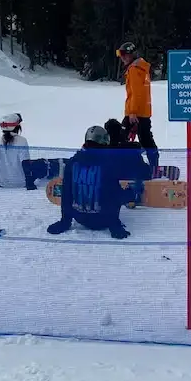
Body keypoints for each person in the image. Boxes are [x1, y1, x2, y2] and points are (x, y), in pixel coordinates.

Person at [46, 125, 130, 239]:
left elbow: (66, 194)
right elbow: (113, 196)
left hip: (80, 218)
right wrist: (115, 225)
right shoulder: (109, 164)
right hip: (103, 220)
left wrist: (65, 221)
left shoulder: (72, 162)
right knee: (117, 191)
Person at [117, 42, 159, 175]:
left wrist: (133, 112)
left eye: (124, 54)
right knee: (146, 138)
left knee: (120, 139)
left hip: (135, 113)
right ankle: (153, 163)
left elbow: (136, 92)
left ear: (131, 55)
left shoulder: (135, 70)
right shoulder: (142, 68)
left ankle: (119, 165)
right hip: (143, 112)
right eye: (120, 54)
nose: (122, 58)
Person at [104, 117, 152, 202]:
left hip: (115, 177)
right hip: (133, 175)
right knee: (141, 166)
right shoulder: (132, 146)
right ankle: (136, 192)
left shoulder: (103, 148)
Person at [0, 113, 31, 190]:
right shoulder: (22, 140)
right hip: (21, 182)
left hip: (3, 183)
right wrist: (30, 184)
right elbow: (25, 164)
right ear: (17, 126)